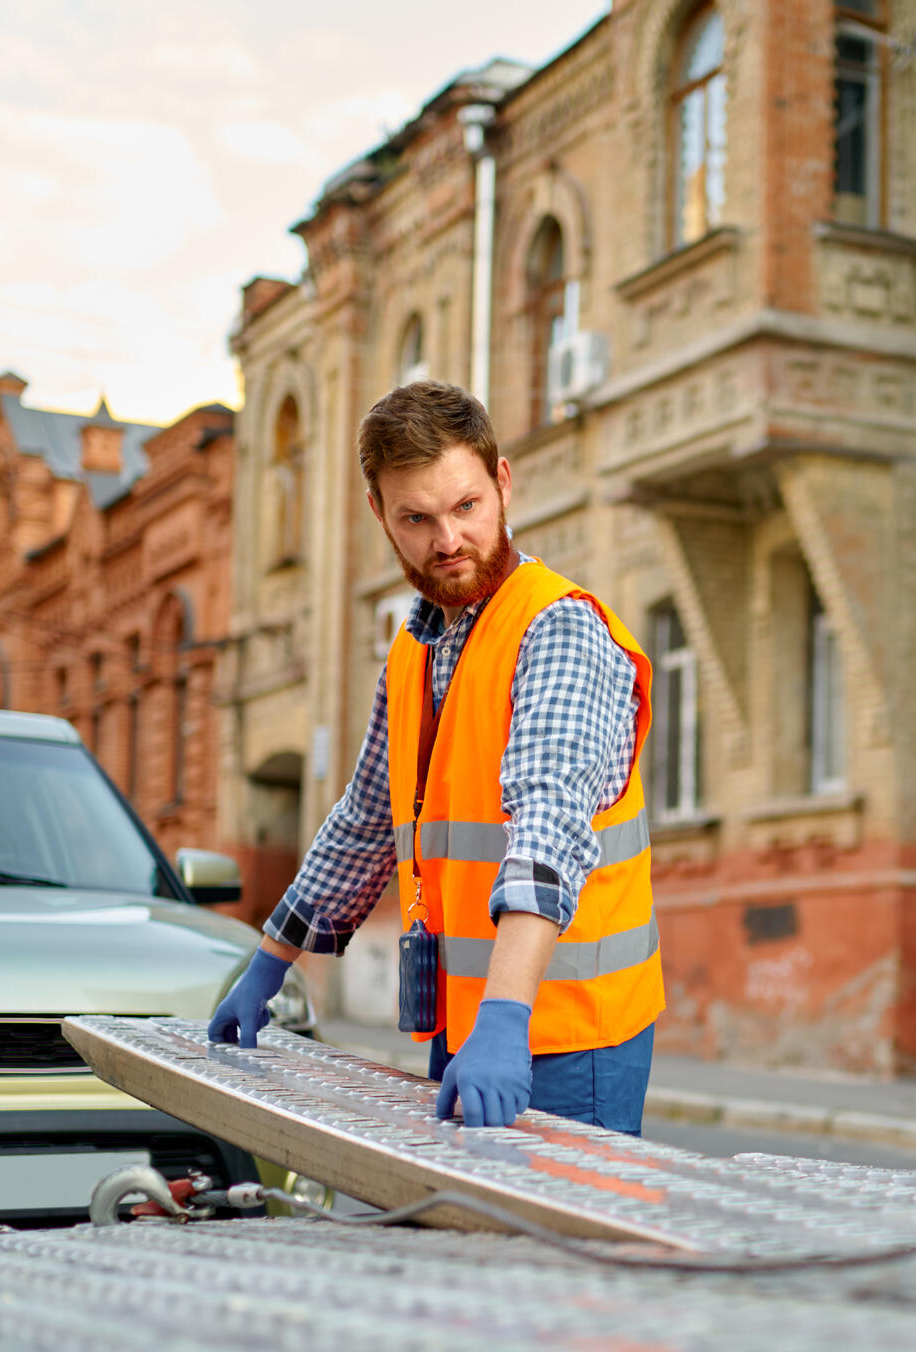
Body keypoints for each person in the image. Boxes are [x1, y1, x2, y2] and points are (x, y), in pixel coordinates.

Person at [208, 380, 663, 1134]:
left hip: (562, 1035)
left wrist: (505, 1018)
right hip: (468, 1028)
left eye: (465, 507)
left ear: (503, 484)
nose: (446, 540)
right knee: (460, 1246)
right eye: (415, 518)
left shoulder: (559, 630)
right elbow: (365, 817)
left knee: (557, 1253)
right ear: (378, 515)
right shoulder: (415, 647)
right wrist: (271, 960)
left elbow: (546, 824)